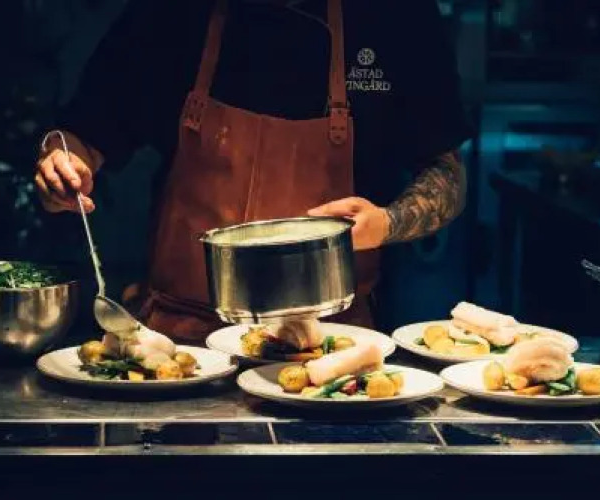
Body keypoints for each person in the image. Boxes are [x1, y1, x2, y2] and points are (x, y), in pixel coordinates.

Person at [34, 0, 472, 343]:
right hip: (180, 343)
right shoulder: (171, 13)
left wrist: (387, 222)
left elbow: (447, 173)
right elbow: (82, 135)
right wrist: (63, 165)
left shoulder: (395, 15)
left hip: (333, 345)